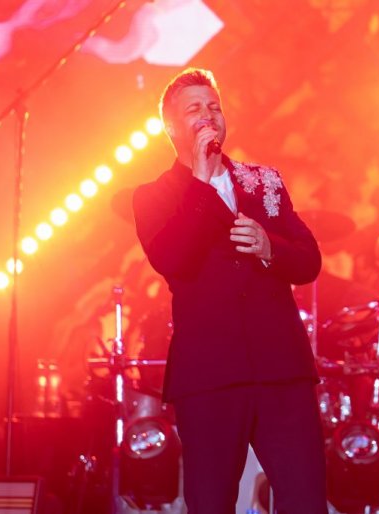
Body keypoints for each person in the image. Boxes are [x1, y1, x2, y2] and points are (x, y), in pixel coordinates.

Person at [132, 67, 327, 514]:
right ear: (171, 127)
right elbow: (172, 260)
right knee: (211, 501)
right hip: (209, 376)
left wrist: (270, 247)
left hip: (282, 371)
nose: (208, 115)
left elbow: (310, 261)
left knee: (305, 500)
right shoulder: (153, 196)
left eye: (214, 106)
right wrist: (201, 183)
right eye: (194, 109)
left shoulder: (265, 182)